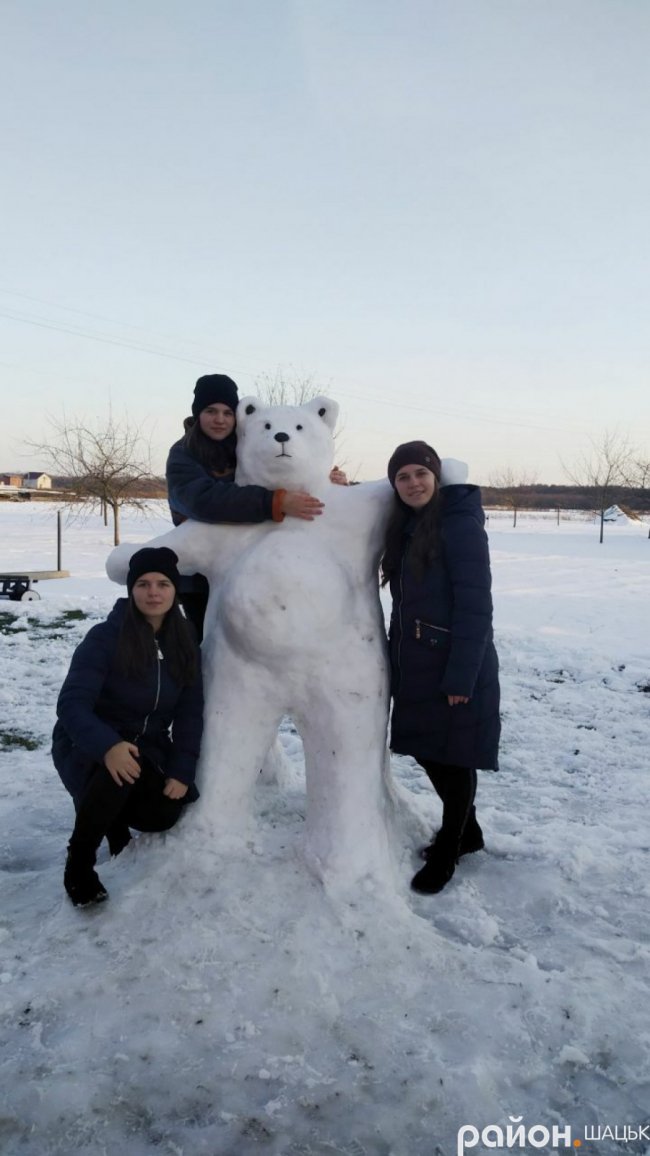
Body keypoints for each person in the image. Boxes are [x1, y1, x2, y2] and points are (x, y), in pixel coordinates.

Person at [52, 547, 204, 907]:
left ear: (174, 590)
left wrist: (181, 770)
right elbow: (72, 704)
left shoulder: (185, 645)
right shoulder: (106, 637)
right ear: (131, 590)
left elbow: (190, 714)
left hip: (146, 747)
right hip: (86, 744)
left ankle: (110, 817)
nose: (154, 592)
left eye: (163, 583)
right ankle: (80, 863)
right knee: (121, 769)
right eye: (144, 584)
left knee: (165, 813)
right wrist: (108, 746)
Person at [381, 441, 500, 895]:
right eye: (403, 477)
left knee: (453, 757)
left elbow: (476, 607)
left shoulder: (459, 525)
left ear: (436, 477)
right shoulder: (409, 525)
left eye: (420, 474)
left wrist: (460, 677)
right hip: (417, 663)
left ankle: (451, 846)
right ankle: (468, 831)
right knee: (430, 750)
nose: (412, 484)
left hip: (455, 664)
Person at [166, 373, 346, 638]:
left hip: (250, 559)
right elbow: (204, 500)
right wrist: (275, 502)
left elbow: (280, 474)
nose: (220, 419)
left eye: (228, 412)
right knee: (210, 642)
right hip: (201, 571)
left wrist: (323, 481)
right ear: (197, 413)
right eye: (211, 411)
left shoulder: (245, 445)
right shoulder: (183, 453)